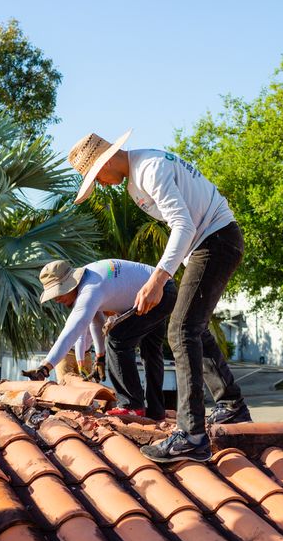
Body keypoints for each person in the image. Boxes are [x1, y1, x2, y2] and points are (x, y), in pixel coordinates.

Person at [68, 131, 250, 463]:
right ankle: (231, 405)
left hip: (215, 241)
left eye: (98, 177)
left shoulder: (150, 169)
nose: (104, 185)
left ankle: (192, 435)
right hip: (207, 244)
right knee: (193, 327)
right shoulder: (138, 176)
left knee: (180, 332)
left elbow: (183, 225)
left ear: (107, 160)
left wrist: (157, 278)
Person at [23, 259, 176, 420]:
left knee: (118, 340)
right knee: (150, 350)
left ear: (70, 284)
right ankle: (156, 410)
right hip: (165, 289)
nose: (57, 299)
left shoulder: (90, 290)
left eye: (58, 293)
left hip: (158, 290)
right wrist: (100, 356)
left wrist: (45, 367)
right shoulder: (90, 277)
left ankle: (132, 406)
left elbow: (72, 330)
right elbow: (97, 322)